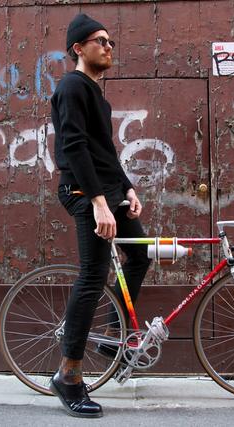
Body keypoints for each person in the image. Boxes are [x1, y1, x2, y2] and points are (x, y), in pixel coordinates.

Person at [49, 13, 151, 418]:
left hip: (107, 191)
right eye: (100, 41)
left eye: (111, 42)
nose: (108, 47)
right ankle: (69, 375)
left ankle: (111, 335)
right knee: (93, 276)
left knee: (139, 255)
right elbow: (74, 147)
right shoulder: (72, 87)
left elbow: (105, 152)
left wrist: (127, 188)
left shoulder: (96, 94)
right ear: (78, 48)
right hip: (82, 192)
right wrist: (98, 202)